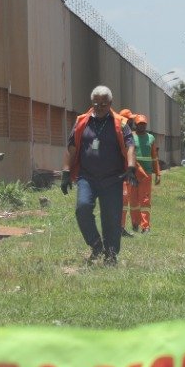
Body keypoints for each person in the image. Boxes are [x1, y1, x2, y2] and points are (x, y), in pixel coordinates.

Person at [61, 86, 137, 264]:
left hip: (113, 178)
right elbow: (71, 148)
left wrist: (131, 166)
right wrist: (65, 171)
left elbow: (130, 145)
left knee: (111, 217)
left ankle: (111, 255)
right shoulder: (82, 121)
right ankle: (96, 244)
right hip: (87, 177)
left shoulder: (120, 123)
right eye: (96, 103)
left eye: (103, 103)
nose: (99, 106)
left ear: (110, 103)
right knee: (82, 208)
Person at [128, 114, 163, 233]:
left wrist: (158, 173)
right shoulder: (131, 137)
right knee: (133, 200)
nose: (142, 126)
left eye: (144, 124)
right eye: (139, 124)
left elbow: (154, 157)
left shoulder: (151, 138)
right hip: (133, 173)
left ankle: (145, 226)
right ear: (135, 125)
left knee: (145, 200)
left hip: (147, 174)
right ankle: (135, 223)